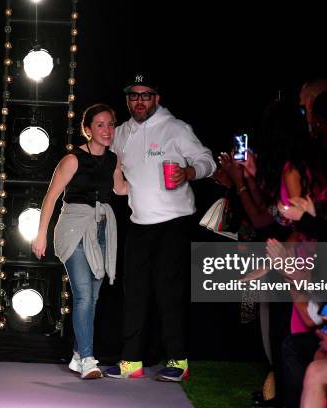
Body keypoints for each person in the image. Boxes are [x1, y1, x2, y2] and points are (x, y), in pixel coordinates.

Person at [104, 72, 215, 382]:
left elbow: (208, 160)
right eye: (133, 95)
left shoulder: (176, 129)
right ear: (127, 100)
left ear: (156, 98)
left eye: (145, 95)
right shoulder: (122, 133)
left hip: (174, 222)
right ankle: (131, 362)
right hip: (138, 223)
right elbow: (116, 173)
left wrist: (190, 171)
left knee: (168, 293)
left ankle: (178, 361)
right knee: (134, 293)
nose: (139, 101)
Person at [32, 103, 126, 379]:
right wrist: (41, 235)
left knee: (93, 298)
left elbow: (120, 189)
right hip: (74, 228)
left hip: (102, 230)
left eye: (111, 124)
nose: (107, 130)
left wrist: (155, 179)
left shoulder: (113, 160)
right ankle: (87, 358)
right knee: (84, 295)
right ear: (87, 130)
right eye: (100, 125)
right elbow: (50, 197)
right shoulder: (72, 159)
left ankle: (77, 354)